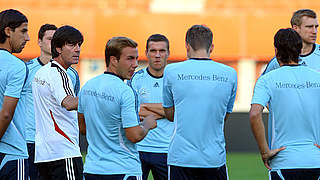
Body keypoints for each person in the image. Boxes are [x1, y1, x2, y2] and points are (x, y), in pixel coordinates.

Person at [162, 25, 237, 180]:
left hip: (181, 157)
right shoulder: (230, 73)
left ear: (187, 46)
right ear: (212, 47)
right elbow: (224, 115)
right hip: (214, 159)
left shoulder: (171, 71)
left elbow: (169, 113)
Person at [78, 36, 157, 180]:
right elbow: (133, 135)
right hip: (123, 170)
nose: (135, 64)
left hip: (92, 170)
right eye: (130, 59)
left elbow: (83, 128)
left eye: (136, 58)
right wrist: (147, 124)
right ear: (113, 60)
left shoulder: (88, 86)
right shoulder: (125, 91)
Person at [250, 28, 320, 179]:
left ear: (276, 50)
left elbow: (255, 114)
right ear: (300, 49)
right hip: (316, 161)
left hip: (284, 163)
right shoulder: (317, 77)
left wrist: (264, 152)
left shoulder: (267, 80)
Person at [24, 24, 81, 180]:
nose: (77, 49)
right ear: (58, 48)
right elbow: (69, 103)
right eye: (71, 44)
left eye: (79, 45)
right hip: (62, 150)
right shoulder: (58, 73)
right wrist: (97, 97)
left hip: (44, 153)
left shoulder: (44, 72)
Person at [128, 34, 174, 180]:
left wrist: (146, 106)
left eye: (162, 51)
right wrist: (165, 110)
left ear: (168, 53)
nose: (157, 55)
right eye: (153, 51)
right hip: (139, 148)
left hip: (167, 150)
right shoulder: (135, 78)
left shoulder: (175, 79)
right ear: (146, 53)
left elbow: (176, 112)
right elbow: (132, 111)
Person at [0, 9, 30, 179]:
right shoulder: (17, 66)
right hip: (12, 152)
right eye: (23, 31)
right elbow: (5, 114)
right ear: (8, 31)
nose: (28, 38)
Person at [263, 9, 319, 74]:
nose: (315, 31)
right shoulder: (279, 59)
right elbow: (264, 82)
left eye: (316, 27)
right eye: (309, 27)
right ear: (295, 28)